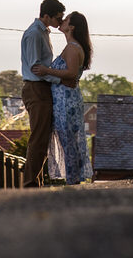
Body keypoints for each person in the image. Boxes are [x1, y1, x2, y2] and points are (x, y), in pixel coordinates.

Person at [31, 10, 93, 184]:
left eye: (66, 20)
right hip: (64, 99)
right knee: (68, 141)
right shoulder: (71, 46)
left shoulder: (73, 48)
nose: (62, 21)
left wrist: (46, 70)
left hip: (67, 101)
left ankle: (73, 181)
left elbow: (71, 73)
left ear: (71, 27)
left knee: (68, 142)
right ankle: (73, 179)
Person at [19, 0, 64, 187]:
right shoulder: (34, 34)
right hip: (36, 88)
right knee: (38, 137)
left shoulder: (43, 32)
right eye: (58, 19)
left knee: (42, 137)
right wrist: (60, 78)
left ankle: (34, 181)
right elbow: (36, 67)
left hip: (42, 88)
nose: (60, 23)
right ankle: (29, 182)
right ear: (47, 16)